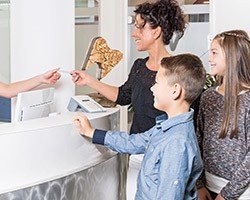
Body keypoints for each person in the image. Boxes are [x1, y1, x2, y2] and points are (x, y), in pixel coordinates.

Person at [71, 1, 186, 198]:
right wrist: (89, 80)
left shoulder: (179, 71)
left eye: (140, 27)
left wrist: (199, 182)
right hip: (137, 155)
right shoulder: (139, 66)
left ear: (157, 31)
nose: (134, 33)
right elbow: (123, 96)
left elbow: (190, 126)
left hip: (166, 160)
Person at [73, 54, 206, 200]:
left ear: (175, 91)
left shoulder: (177, 143)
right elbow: (133, 142)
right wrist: (91, 132)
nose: (152, 88)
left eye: (156, 82)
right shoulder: (165, 128)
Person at [196, 29, 250, 200]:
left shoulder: (248, 100)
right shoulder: (208, 97)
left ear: (232, 56)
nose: (209, 59)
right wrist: (199, 184)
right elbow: (198, 139)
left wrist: (227, 194)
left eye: (214, 53)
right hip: (208, 187)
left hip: (240, 193)